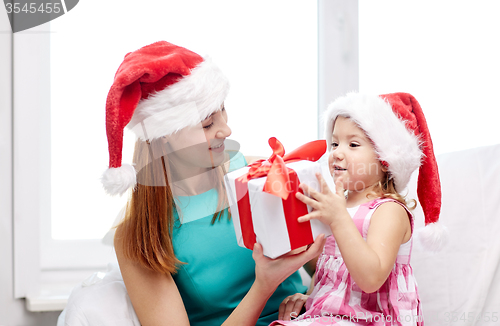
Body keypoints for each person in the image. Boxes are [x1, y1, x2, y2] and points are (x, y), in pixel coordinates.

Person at [60, 41, 326, 326]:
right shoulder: (141, 234)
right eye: (207, 123)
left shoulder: (261, 176)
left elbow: (329, 261)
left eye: (223, 112)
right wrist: (264, 285)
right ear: (165, 135)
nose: (226, 129)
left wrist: (312, 295)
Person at [270, 92, 446, 325]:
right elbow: (328, 270)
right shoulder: (336, 206)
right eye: (334, 143)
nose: (336, 153)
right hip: (332, 317)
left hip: (372, 319)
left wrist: (338, 219)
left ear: (385, 159)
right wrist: (312, 298)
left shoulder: (388, 211)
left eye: (353, 144)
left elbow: (371, 279)